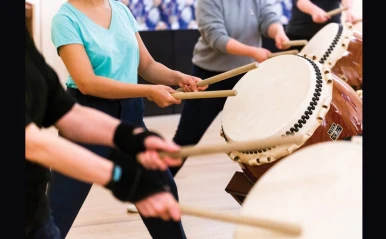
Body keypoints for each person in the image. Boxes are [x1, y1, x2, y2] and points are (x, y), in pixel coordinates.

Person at [47, 0, 206, 238]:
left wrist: (177, 77)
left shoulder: (120, 9)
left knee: (160, 188)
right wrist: (149, 91)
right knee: (59, 208)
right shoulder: (65, 19)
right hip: (86, 119)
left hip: (130, 115)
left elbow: (148, 65)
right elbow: (87, 83)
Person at [25, 26, 184, 238]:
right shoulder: (66, 19)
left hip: (33, 211)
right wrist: (120, 178)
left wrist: (133, 137)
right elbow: (31, 143)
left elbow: (64, 111)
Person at [169, 0, 292, 177]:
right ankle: (152, 190)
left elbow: (268, 18)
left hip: (246, 76)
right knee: (186, 139)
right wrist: (252, 51)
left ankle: (263, 187)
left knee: (259, 138)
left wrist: (278, 32)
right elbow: (217, 38)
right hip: (209, 77)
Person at [285, 0, 357, 45]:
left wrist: (349, 11)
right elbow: (301, 1)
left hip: (332, 32)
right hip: (301, 33)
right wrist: (313, 10)